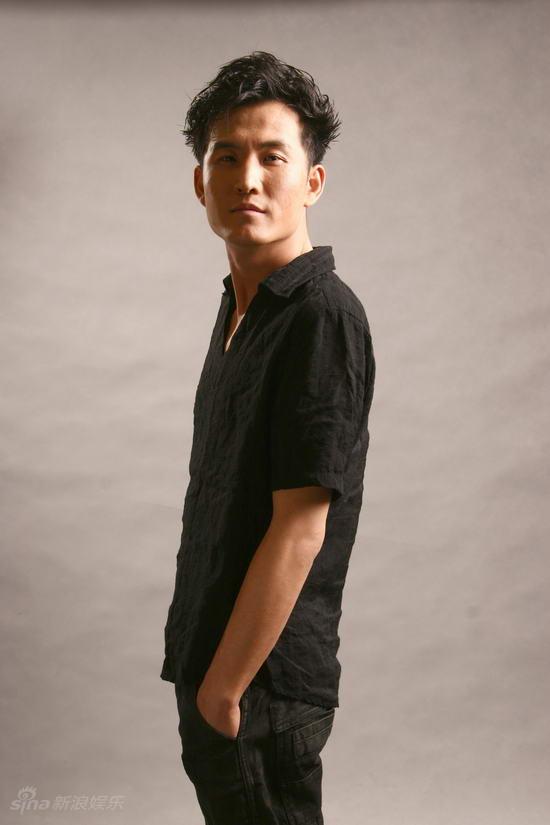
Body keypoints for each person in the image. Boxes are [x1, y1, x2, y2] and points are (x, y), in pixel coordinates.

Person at [160, 50, 376, 825]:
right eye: (227, 157)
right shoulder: (241, 307)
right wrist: (203, 677)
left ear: (312, 181)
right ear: (200, 182)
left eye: (271, 157)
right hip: (215, 668)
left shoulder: (321, 315)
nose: (247, 179)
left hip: (261, 686)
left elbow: (300, 526)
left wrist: (224, 691)